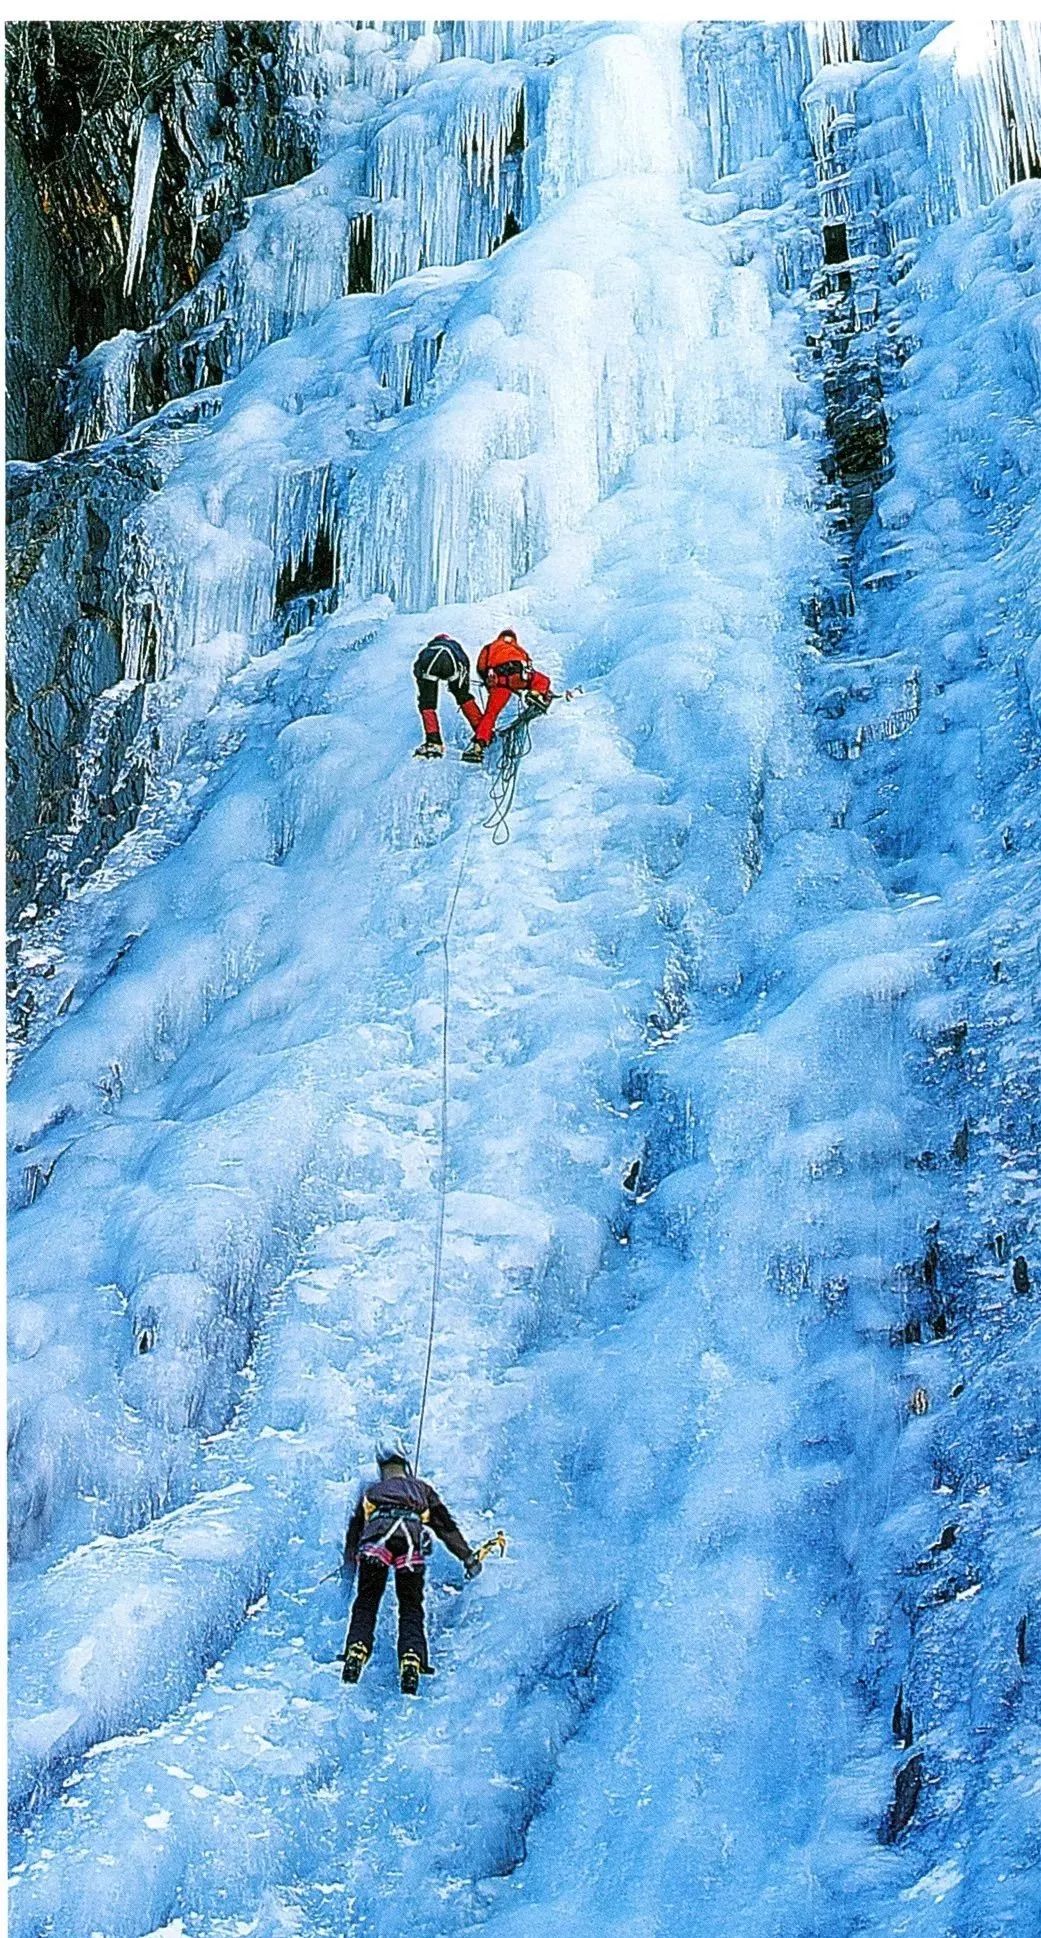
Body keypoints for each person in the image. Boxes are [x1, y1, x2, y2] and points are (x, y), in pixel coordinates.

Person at [341, 1437, 483, 1694]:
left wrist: (348, 1572)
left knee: (366, 1602)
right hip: (409, 1543)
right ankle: (411, 1657)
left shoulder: (371, 1492)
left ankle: (356, 1649)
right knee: (410, 1606)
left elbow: (354, 1534)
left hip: (376, 1542)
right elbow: (445, 1527)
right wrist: (468, 1558)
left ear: (381, 1466)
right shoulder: (422, 1490)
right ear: (405, 1463)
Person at [461, 628, 554, 765]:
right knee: (543, 680)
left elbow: (481, 667)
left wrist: (489, 685)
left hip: (499, 682)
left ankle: (478, 746)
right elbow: (528, 667)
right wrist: (524, 689)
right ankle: (535, 694)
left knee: (490, 714)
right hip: (518, 676)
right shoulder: (518, 648)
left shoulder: (489, 647)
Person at [412, 634, 483, 758]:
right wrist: (459, 687)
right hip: (453, 663)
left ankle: (434, 742)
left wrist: (424, 691)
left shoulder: (429, 650)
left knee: (427, 705)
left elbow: (417, 669)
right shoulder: (454, 647)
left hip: (429, 666)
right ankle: (482, 733)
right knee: (464, 698)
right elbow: (464, 663)